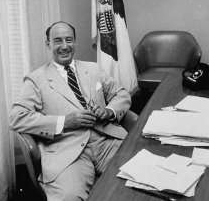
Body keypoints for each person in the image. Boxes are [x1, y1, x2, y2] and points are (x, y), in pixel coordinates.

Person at [9, 21, 131, 201]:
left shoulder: (93, 69)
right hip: (67, 151)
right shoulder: (35, 79)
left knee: (139, 181)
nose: (64, 46)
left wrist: (108, 111)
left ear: (75, 42)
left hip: (106, 141)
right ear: (48, 43)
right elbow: (16, 118)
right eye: (58, 41)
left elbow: (121, 94)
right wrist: (64, 122)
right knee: (69, 196)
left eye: (69, 40)